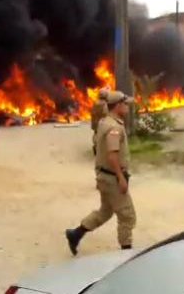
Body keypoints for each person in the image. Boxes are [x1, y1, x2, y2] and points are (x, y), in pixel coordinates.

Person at [65, 91, 136, 255]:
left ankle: (75, 234)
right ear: (118, 106)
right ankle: (126, 253)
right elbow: (112, 156)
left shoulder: (105, 122)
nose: (127, 107)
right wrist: (121, 178)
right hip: (112, 178)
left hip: (105, 176)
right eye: (125, 104)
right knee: (127, 216)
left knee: (105, 211)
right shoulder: (114, 127)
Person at [90, 88, 110, 155]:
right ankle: (101, 149)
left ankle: (96, 146)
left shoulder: (95, 103)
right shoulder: (105, 104)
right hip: (103, 123)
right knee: (104, 136)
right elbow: (105, 113)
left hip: (95, 122)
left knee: (96, 135)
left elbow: (92, 112)